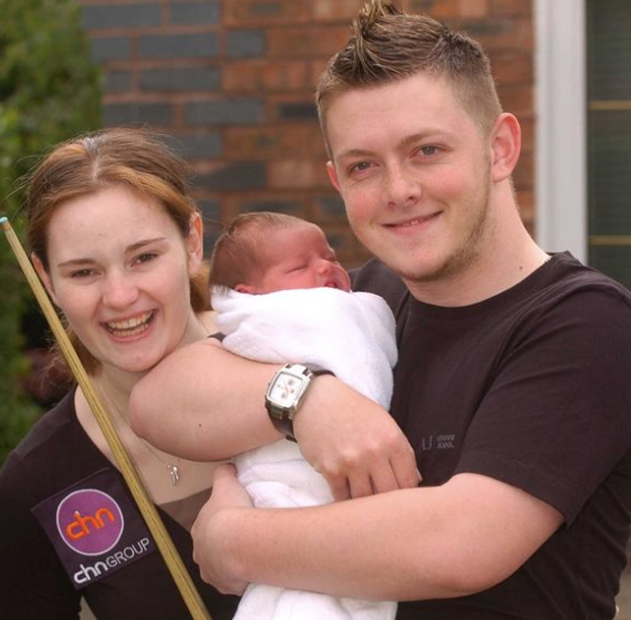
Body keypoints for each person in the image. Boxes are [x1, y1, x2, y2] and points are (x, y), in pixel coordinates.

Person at [129, 1, 631, 618]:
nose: (398, 190)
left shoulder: (586, 323)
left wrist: (236, 542)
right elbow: (158, 402)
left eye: (427, 150)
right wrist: (308, 400)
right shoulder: (359, 303)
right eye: (364, 165)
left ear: (500, 148)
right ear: (337, 181)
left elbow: (462, 545)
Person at [0, 128, 240, 620]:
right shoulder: (37, 482)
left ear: (192, 242)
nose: (120, 297)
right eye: (84, 272)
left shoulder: (302, 356)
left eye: (144, 257)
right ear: (46, 279)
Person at [209, 211, 398, 620]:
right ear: (250, 295)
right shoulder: (265, 322)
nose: (326, 267)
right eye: (300, 266)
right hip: (288, 487)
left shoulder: (361, 304)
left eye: (329, 256)